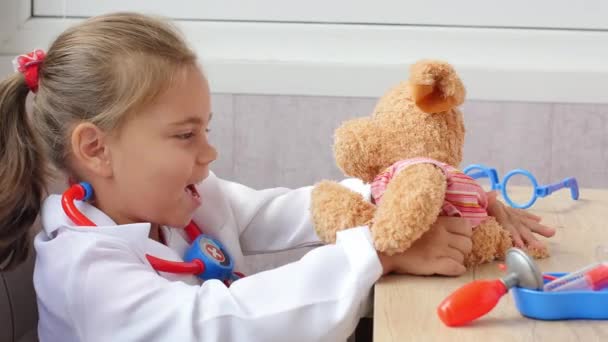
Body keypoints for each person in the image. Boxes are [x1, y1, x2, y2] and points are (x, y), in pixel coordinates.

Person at [0, 12, 555, 341]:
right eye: (185, 134)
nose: (209, 153)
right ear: (96, 148)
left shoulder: (176, 203)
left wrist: (425, 195)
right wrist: (378, 252)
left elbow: (283, 210)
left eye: (206, 129)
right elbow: (219, 323)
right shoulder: (84, 273)